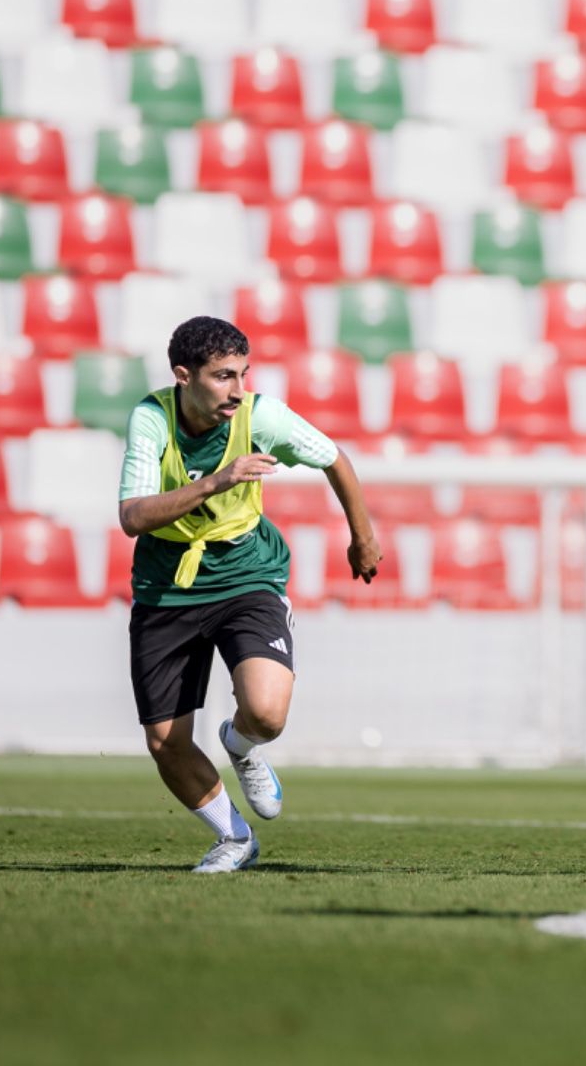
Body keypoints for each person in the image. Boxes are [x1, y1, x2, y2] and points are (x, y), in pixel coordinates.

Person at [118, 316, 382, 873]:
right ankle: (234, 838)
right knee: (165, 743)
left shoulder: (262, 415)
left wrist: (363, 537)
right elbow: (133, 517)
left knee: (265, 713)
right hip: (166, 589)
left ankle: (240, 746)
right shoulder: (150, 419)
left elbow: (335, 458)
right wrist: (217, 479)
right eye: (221, 377)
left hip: (246, 577)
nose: (237, 390)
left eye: (242, 374)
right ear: (183, 376)